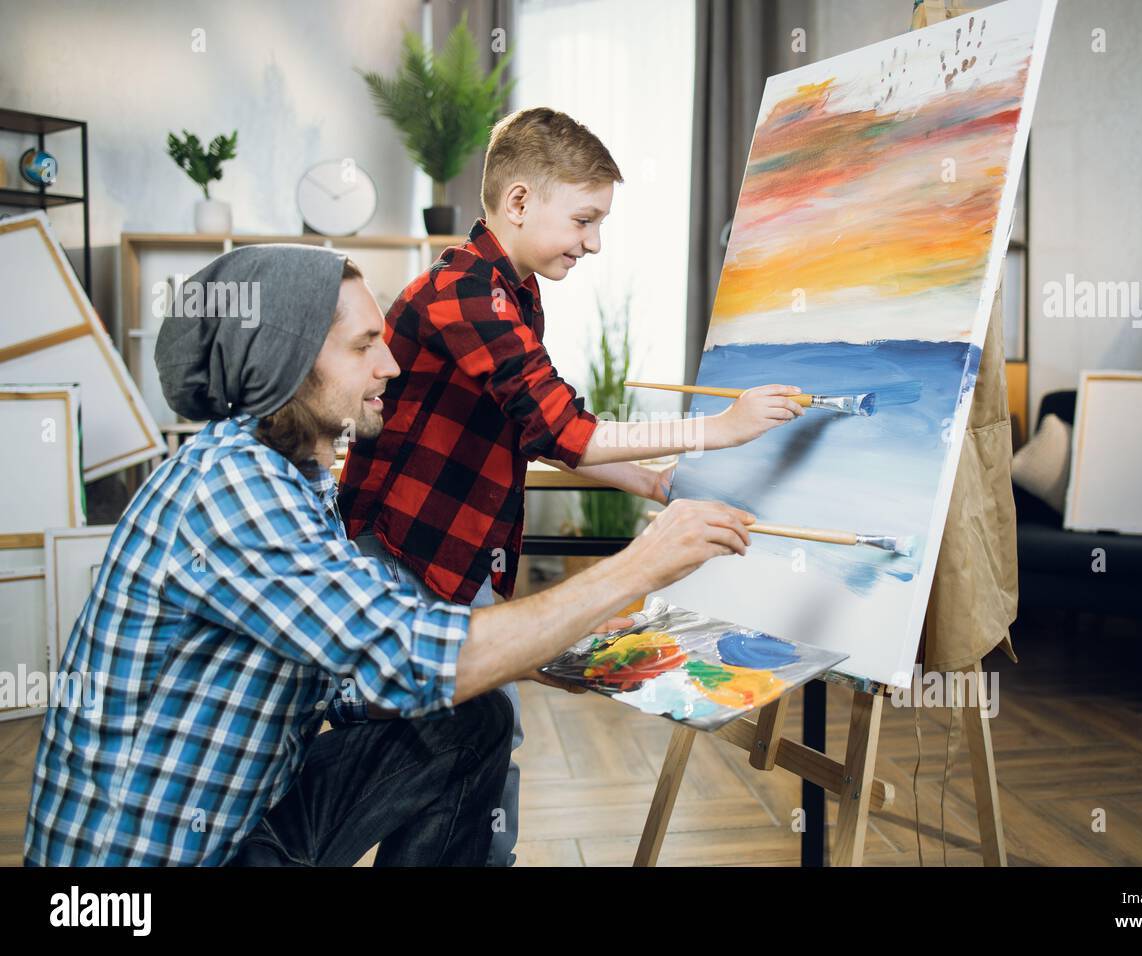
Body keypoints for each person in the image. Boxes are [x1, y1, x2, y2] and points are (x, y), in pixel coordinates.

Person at [23, 244, 756, 866]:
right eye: (362, 346)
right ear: (285, 360)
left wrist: (541, 655)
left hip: (242, 819)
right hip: (162, 859)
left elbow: (342, 675)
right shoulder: (232, 486)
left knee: (472, 720)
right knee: (455, 691)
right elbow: (409, 657)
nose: (392, 367)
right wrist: (643, 560)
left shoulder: (291, 476)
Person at [338, 106, 804, 865]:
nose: (593, 242)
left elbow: (539, 432)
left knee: (473, 740)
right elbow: (566, 431)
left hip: (452, 561)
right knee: (452, 740)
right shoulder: (466, 291)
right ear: (519, 202)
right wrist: (717, 427)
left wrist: (652, 481)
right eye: (584, 219)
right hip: (404, 557)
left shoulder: (513, 292)